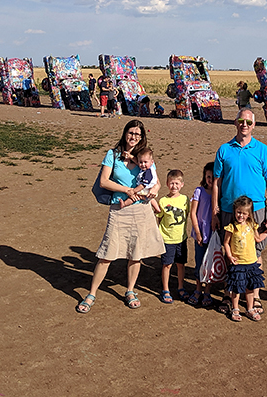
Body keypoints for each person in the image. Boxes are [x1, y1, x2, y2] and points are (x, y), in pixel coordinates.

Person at [76, 120, 165, 314]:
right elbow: (104, 181)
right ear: (125, 133)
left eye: (138, 134)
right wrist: (127, 190)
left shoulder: (144, 156)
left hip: (141, 210)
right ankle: (91, 293)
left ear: (142, 137)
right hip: (119, 209)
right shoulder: (113, 155)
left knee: (136, 254)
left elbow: (155, 180)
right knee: (107, 254)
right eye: (131, 133)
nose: (133, 137)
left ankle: (130, 290)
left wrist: (156, 189)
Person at [212, 108, 267, 315]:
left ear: (254, 125)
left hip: (256, 209)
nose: (245, 125)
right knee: (230, 249)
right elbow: (216, 182)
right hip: (229, 209)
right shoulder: (224, 149)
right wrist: (215, 209)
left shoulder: (262, 150)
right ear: (235, 122)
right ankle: (228, 291)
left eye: (249, 122)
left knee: (255, 251)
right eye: (241, 121)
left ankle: (254, 295)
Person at [222, 196, 267, 322]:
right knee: (236, 288)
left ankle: (249, 308)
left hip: (251, 262)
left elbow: (258, 239)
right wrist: (230, 256)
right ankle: (235, 308)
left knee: (250, 287)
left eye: (244, 213)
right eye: (238, 212)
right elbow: (226, 243)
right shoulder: (231, 227)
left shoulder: (252, 225)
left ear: (249, 214)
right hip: (238, 263)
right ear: (234, 211)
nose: (240, 215)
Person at [151, 169, 189, 304]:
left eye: (177, 183)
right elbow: (159, 218)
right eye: (172, 183)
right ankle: (166, 289)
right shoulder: (162, 201)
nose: (174, 186)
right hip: (167, 239)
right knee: (167, 264)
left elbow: (187, 215)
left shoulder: (185, 200)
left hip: (181, 239)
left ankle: (180, 287)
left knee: (181, 264)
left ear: (182, 184)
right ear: (167, 184)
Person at [187, 161, 215, 307]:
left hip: (214, 235)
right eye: (208, 176)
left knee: (210, 264)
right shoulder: (199, 191)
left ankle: (208, 291)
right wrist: (197, 232)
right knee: (199, 262)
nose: (210, 179)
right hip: (200, 233)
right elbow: (193, 213)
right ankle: (198, 289)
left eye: (213, 176)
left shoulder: (220, 193)